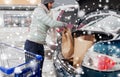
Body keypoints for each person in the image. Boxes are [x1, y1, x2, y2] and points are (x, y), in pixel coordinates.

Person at [24, 0, 69, 76]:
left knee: (39, 70)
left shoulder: (46, 12)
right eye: (50, 3)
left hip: (39, 45)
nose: (51, 5)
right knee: (32, 71)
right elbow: (51, 23)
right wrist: (64, 24)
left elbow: (50, 28)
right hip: (32, 44)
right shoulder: (39, 11)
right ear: (46, 3)